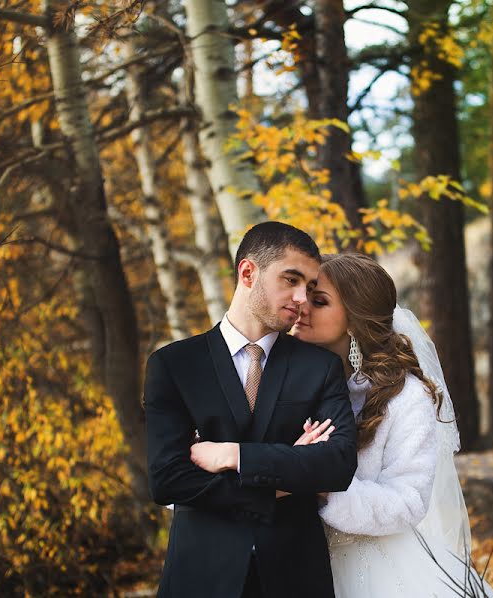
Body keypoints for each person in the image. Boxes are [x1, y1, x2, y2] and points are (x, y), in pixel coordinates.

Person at [144, 222, 358, 598]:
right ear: (248, 273)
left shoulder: (320, 367)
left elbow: (337, 465)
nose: (301, 298)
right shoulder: (174, 364)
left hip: (297, 577)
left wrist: (235, 456)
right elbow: (168, 480)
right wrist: (282, 476)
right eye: (290, 280)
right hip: (200, 577)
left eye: (308, 287)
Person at [291, 253, 493, 598]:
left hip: (378, 570)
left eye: (320, 301)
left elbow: (408, 501)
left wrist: (326, 487)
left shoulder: (405, 398)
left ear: (354, 321)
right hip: (297, 565)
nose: (302, 308)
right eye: (301, 296)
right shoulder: (286, 383)